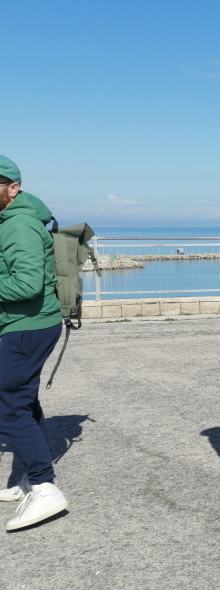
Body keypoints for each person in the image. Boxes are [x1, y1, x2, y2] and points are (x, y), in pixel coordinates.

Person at [0, 155, 68, 531]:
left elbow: (27, 285)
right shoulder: (11, 220)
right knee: (21, 399)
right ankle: (29, 477)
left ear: (13, 188)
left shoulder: (19, 224)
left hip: (27, 325)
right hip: (24, 324)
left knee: (7, 405)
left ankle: (44, 486)